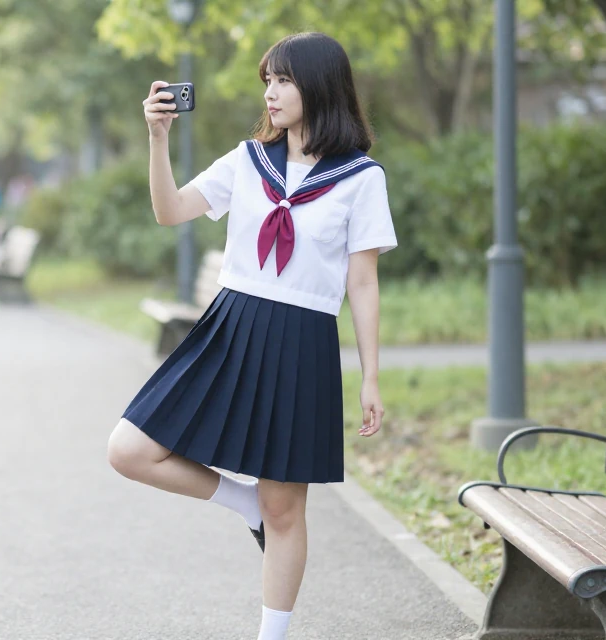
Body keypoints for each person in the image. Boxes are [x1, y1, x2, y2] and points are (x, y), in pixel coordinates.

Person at [106, 32, 398, 640]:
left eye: (284, 80)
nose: (271, 93)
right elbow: (170, 211)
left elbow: (363, 284)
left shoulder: (361, 178)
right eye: (267, 80)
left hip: (303, 341)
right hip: (233, 328)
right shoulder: (246, 161)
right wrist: (157, 141)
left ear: (319, 86)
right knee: (128, 450)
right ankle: (240, 503)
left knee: (286, 508)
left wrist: (371, 377)